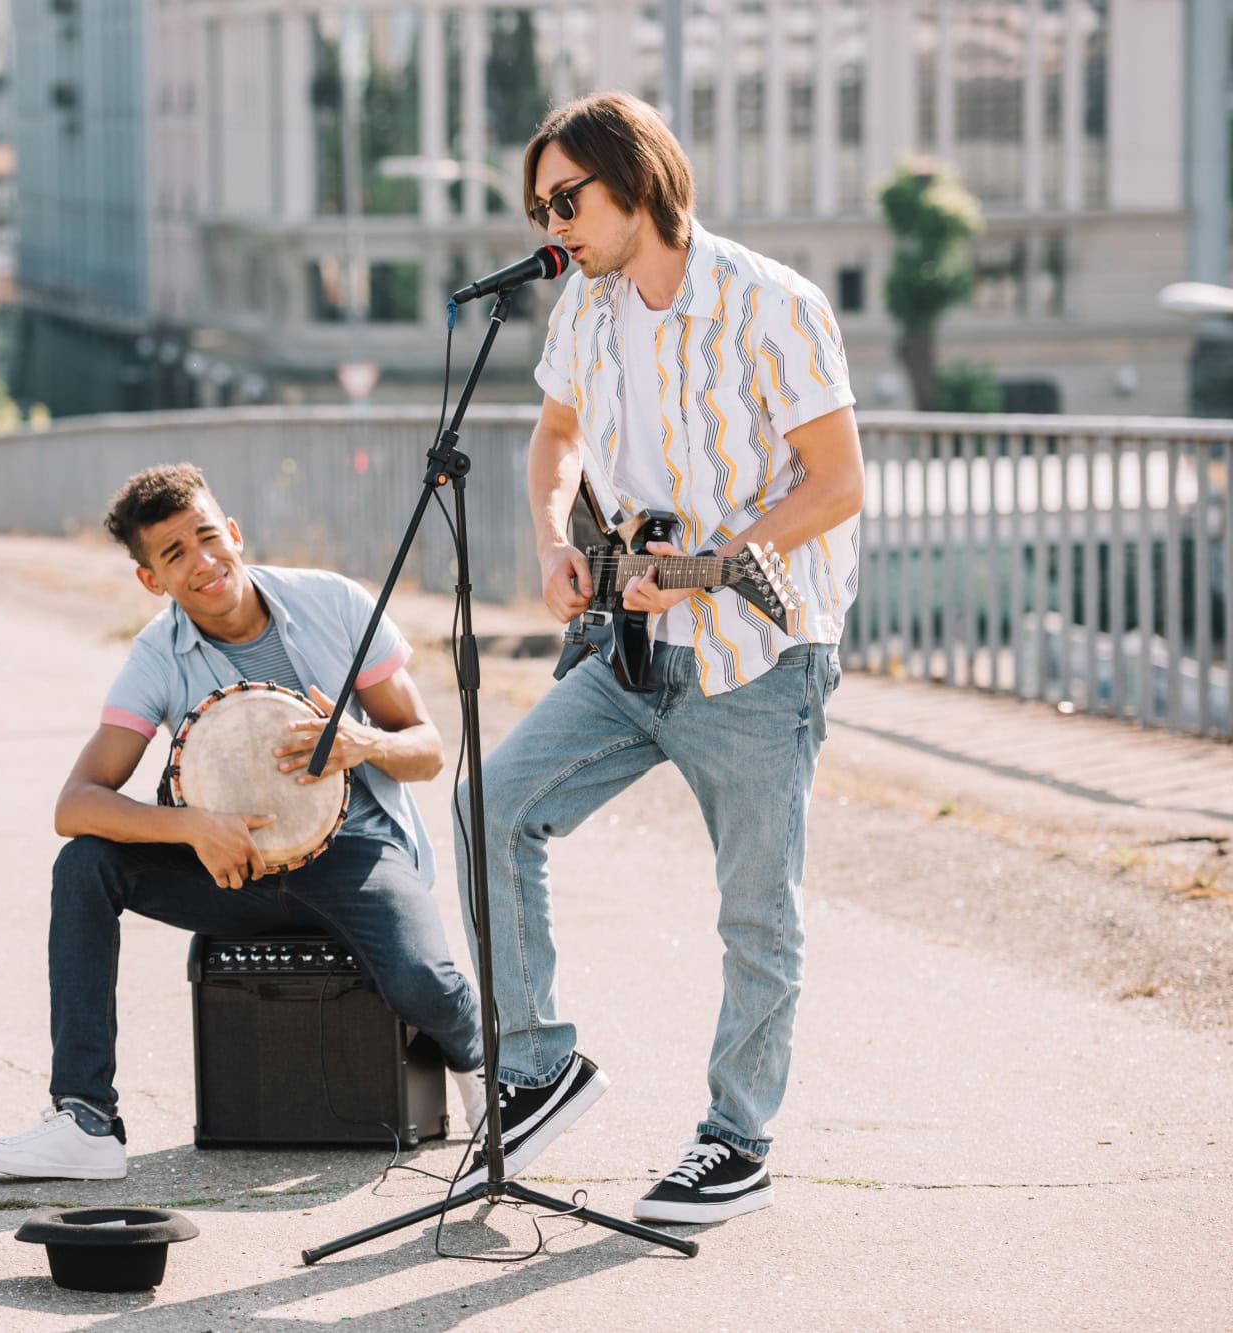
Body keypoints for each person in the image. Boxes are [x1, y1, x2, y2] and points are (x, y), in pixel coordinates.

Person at [453, 92, 865, 1223]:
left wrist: (716, 561)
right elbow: (551, 438)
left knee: (752, 911)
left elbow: (836, 484)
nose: (553, 226)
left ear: (635, 180)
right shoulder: (583, 309)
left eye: (567, 200)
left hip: (754, 658)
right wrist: (551, 539)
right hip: (627, 647)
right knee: (490, 807)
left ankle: (735, 1140)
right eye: (538, 206)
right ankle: (536, 1064)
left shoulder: (769, 305)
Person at [0, 463, 486, 1181]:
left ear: (234, 532)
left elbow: (426, 749)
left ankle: (485, 1072)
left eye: (208, 536)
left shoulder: (333, 602)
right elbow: (76, 802)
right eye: (174, 553)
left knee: (423, 984)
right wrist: (193, 828)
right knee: (85, 862)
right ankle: (84, 1119)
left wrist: (362, 744)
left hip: (354, 854)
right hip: (229, 870)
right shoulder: (156, 654)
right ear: (153, 580)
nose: (202, 561)